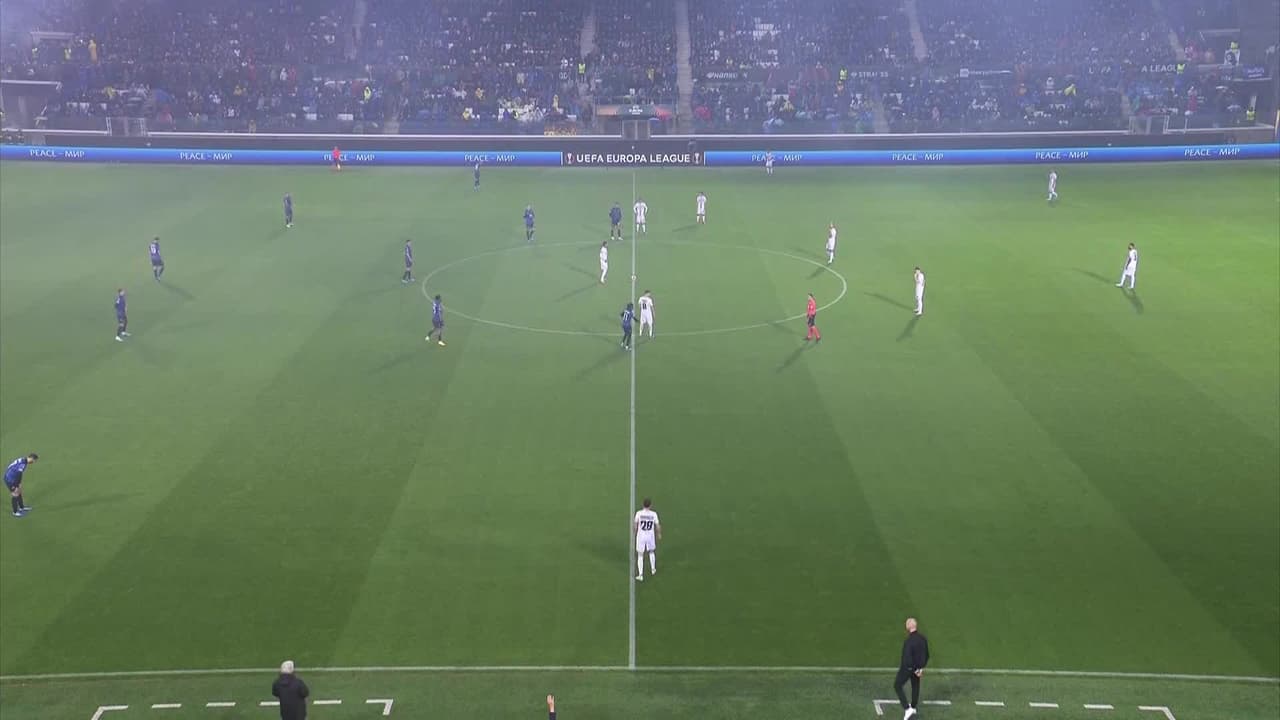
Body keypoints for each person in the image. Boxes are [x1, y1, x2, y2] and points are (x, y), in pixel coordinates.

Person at [894, 618, 930, 719]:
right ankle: (913, 707)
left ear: (908, 627)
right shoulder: (923, 639)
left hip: (908, 668)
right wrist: (920, 669)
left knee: (897, 685)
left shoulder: (908, 641)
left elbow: (907, 659)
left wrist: (914, 669)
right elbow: (927, 655)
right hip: (918, 668)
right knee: (915, 686)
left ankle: (907, 708)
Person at [633, 497, 660, 581]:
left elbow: (635, 525)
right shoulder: (654, 514)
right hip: (650, 536)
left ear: (643, 505)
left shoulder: (639, 513)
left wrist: (634, 532)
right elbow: (657, 525)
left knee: (640, 555)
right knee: (651, 552)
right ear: (650, 505)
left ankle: (640, 575)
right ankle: (653, 569)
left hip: (641, 536)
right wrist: (659, 534)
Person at [4, 453, 37, 517]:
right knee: (15, 494)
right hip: (9, 479)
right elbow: (18, 475)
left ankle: (22, 507)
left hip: (12, 477)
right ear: (31, 458)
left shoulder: (23, 460)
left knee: (19, 491)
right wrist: (16, 485)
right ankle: (15, 512)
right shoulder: (23, 464)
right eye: (34, 461)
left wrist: (19, 484)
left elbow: (18, 473)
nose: (33, 462)